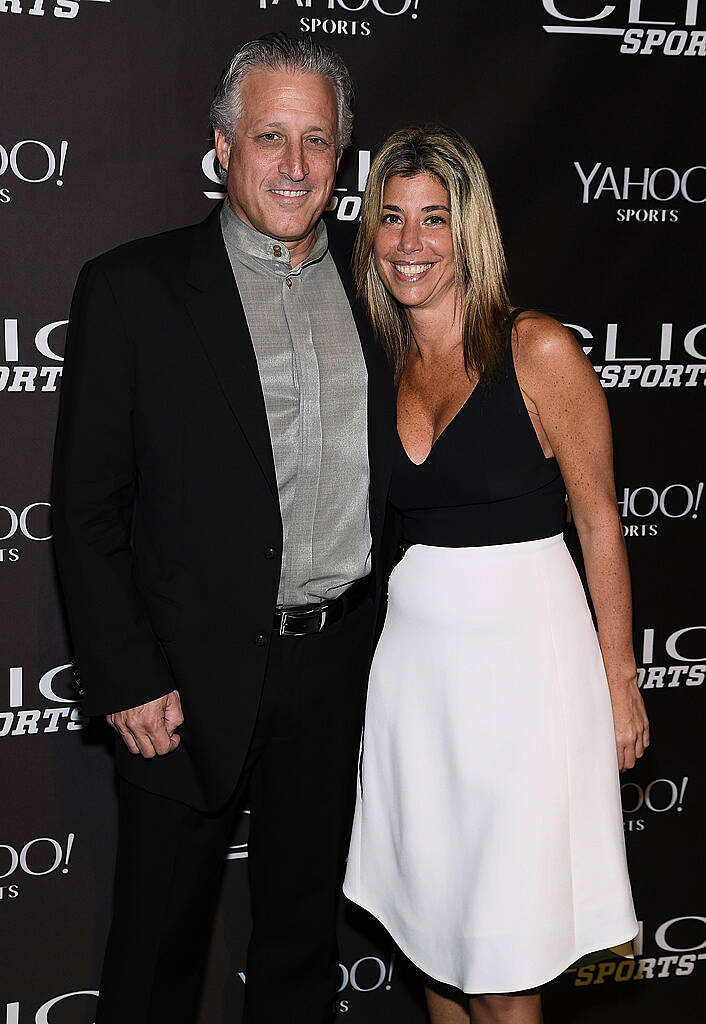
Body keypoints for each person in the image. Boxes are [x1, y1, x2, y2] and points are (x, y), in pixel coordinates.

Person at [51, 33, 394, 1024]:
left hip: (331, 674)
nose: (294, 166)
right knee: (155, 955)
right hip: (178, 678)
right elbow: (85, 505)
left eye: (317, 142)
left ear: (341, 158)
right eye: (270, 137)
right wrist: (124, 674)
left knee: (299, 949)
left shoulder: (381, 294)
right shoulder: (131, 289)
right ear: (221, 148)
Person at [343, 125, 650, 1024]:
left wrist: (620, 680)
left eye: (433, 220)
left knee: (503, 961)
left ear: (468, 229)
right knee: (436, 943)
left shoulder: (536, 348)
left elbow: (598, 518)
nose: (410, 244)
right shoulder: (381, 362)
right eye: (392, 220)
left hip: (524, 683)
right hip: (416, 684)